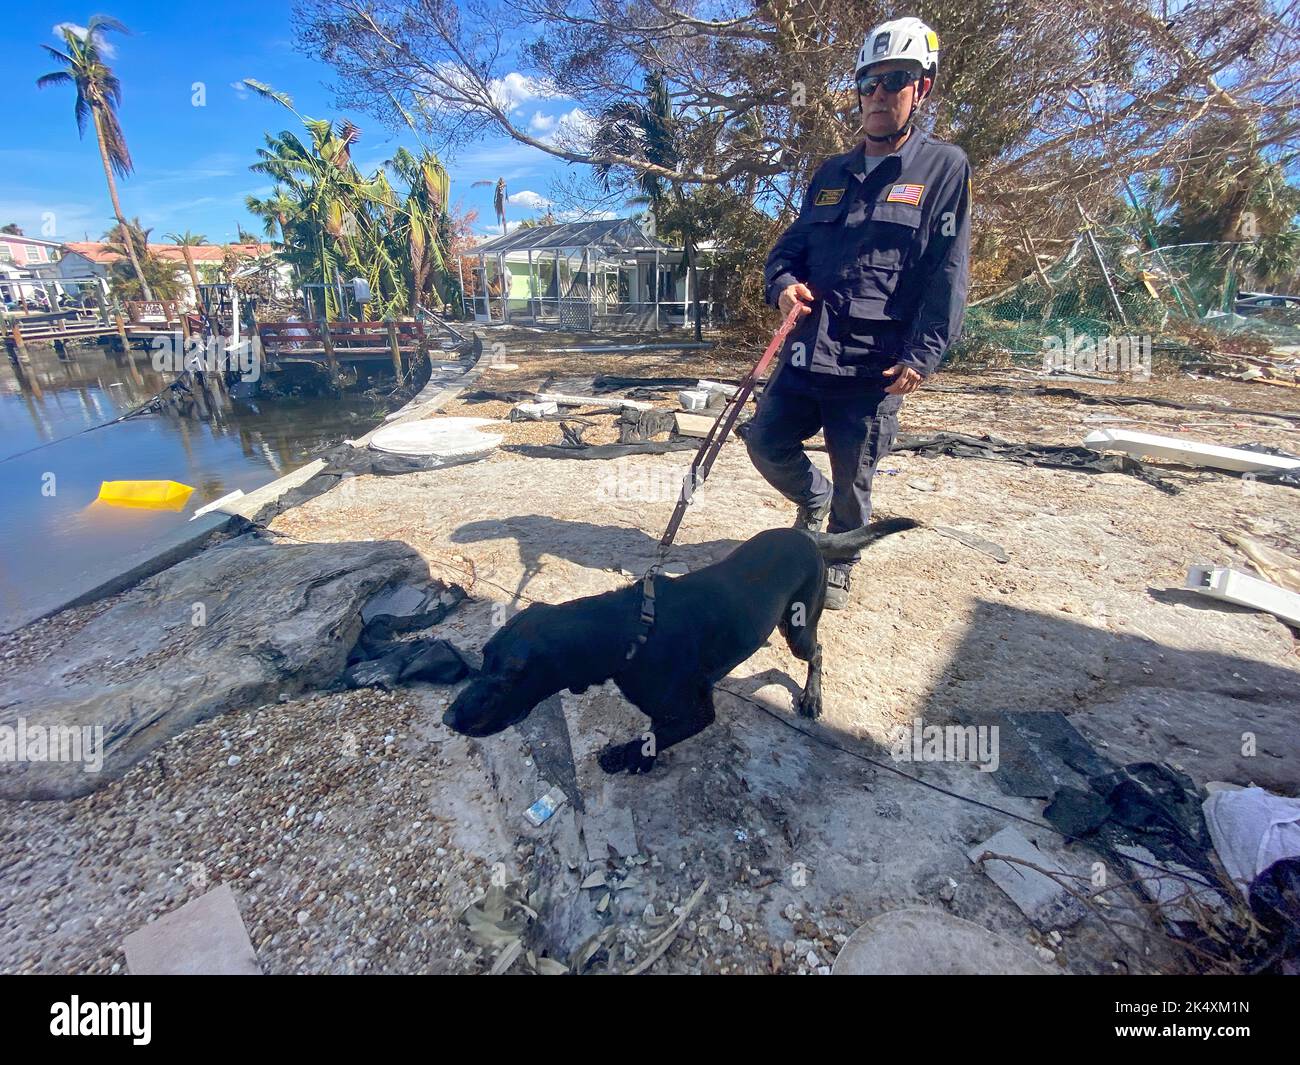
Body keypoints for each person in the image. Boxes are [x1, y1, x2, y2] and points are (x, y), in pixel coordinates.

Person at [743, 16, 971, 608]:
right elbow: (789, 248)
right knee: (765, 442)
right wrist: (784, 285)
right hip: (807, 348)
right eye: (867, 83)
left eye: (893, 80)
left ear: (920, 89)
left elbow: (948, 268)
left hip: (873, 362)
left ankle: (839, 556)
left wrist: (925, 352)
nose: (876, 94)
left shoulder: (943, 168)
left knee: (855, 474)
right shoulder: (829, 174)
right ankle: (811, 499)